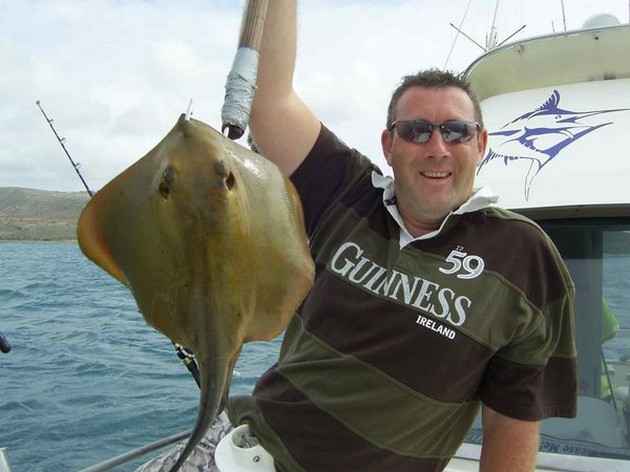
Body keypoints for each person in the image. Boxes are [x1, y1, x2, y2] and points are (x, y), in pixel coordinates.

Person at [139, 1, 577, 471]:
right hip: (243, 452)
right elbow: (269, 103)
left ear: (481, 144)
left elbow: (512, 422)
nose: (437, 147)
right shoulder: (347, 192)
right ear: (389, 145)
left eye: (456, 131)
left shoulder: (522, 255)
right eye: (416, 131)